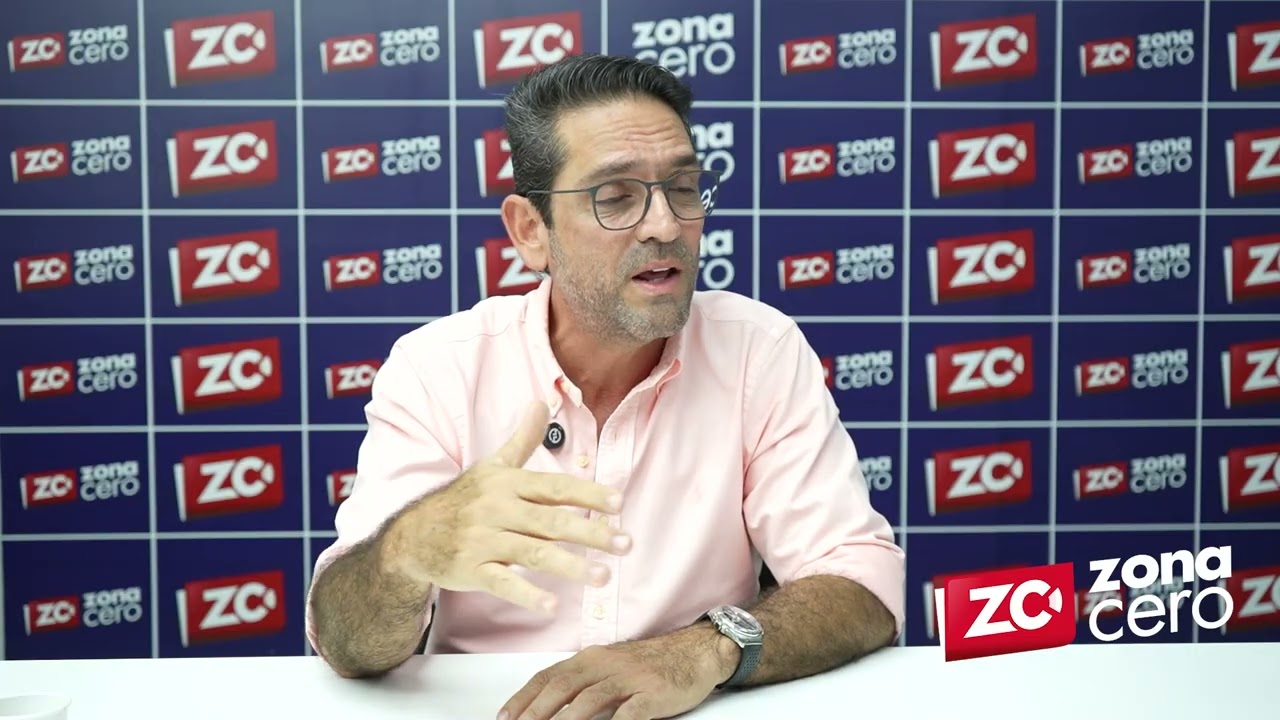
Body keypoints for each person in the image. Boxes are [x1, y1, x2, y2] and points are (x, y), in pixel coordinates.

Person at [305, 53, 905, 720]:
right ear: (530, 231)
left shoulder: (757, 351)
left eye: (684, 188)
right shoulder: (438, 368)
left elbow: (863, 581)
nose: (666, 226)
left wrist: (701, 651)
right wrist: (407, 550)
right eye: (616, 197)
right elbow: (346, 643)